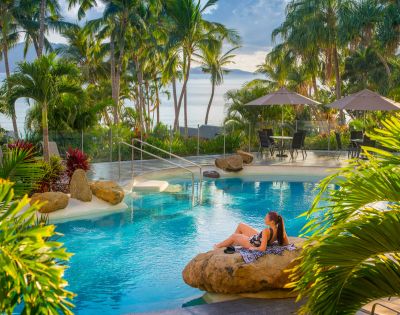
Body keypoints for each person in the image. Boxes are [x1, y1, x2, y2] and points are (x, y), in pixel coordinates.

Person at [214, 211, 289, 251]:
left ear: (272, 221)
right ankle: (233, 243)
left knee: (234, 236)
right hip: (259, 239)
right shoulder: (280, 230)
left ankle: (217, 246)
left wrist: (254, 248)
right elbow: (286, 243)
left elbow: (262, 249)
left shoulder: (266, 231)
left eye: (266, 218)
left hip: (252, 243)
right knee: (241, 225)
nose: (264, 219)